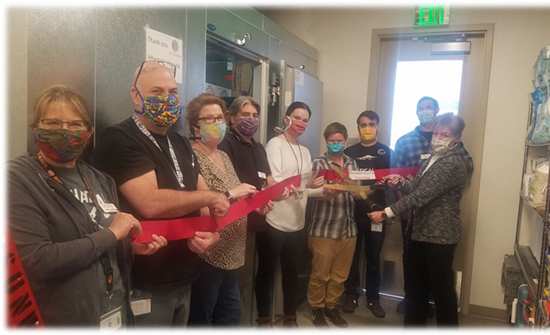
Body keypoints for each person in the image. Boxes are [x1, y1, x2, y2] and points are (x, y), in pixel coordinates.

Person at [8, 85, 167, 327]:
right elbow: (37, 261)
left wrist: (129, 248)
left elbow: (98, 242)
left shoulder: (100, 179)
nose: (64, 131)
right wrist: (113, 234)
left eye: (75, 124)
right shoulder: (17, 178)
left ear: (89, 132)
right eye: (52, 123)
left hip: (114, 315)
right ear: (35, 128)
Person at [92, 61, 229, 326]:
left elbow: (201, 191)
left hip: (186, 275)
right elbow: (150, 203)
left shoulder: (180, 141)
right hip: (144, 282)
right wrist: (210, 198)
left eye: (173, 92)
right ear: (136, 95)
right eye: (157, 92)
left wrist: (212, 231)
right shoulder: (120, 139)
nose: (167, 99)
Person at [369, 113, 473, 326]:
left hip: (439, 238)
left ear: (456, 138)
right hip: (420, 233)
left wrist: (386, 212)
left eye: (444, 134)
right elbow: (416, 187)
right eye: (436, 132)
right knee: (416, 290)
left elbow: (420, 196)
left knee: (442, 292)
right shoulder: (433, 156)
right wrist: (399, 183)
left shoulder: (452, 162)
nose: (438, 137)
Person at [185, 93, 269, 325]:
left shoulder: (223, 155)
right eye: (209, 119)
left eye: (219, 118)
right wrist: (232, 193)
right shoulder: (190, 155)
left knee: (230, 317)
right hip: (210, 253)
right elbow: (199, 203)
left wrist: (255, 206)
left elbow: (237, 200)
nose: (216, 124)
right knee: (203, 317)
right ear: (195, 125)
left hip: (234, 253)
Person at [255, 101, 324, 327]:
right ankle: (264, 318)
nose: (301, 122)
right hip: (274, 220)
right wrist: (301, 187)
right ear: (286, 118)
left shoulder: (305, 151)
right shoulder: (274, 144)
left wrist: (317, 187)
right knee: (266, 272)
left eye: (305, 119)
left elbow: (303, 189)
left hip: (297, 222)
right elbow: (273, 183)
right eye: (297, 117)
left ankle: (290, 318)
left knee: (292, 274)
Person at [307, 122, 358, 328]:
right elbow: (312, 193)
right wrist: (328, 190)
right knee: (320, 274)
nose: (336, 144)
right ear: (326, 141)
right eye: (332, 141)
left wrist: (355, 189)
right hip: (323, 228)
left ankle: (332, 307)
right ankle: (317, 309)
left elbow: (358, 192)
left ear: (345, 141)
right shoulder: (318, 163)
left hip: (348, 229)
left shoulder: (352, 163)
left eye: (339, 141)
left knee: (339, 275)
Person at [342, 111, 392, 318]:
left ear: (378, 125)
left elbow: (393, 182)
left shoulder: (388, 153)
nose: (367, 128)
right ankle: (350, 296)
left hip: (377, 214)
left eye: (371, 124)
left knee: (373, 258)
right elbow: (344, 181)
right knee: (351, 258)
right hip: (352, 213)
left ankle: (373, 299)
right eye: (363, 124)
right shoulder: (349, 152)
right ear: (358, 127)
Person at [392, 96, 439, 314]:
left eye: (429, 108)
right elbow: (395, 176)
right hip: (410, 212)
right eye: (421, 108)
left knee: (432, 258)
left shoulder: (445, 139)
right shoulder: (404, 142)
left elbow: (463, 166)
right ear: (417, 112)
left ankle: (428, 301)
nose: (425, 111)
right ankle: (411, 298)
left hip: (437, 215)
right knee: (410, 256)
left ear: (436, 111)